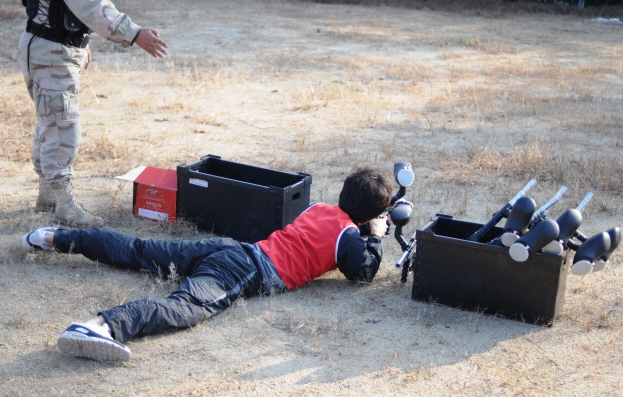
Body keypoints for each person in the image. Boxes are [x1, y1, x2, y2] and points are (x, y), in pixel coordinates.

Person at [21, 168, 394, 362]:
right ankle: (98, 327)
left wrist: (363, 226)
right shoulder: (349, 237)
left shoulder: (319, 209)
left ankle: (52, 237)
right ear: (369, 214)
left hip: (231, 250)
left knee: (139, 249)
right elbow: (362, 272)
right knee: (183, 308)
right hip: (246, 271)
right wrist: (375, 235)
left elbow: (331, 234)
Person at [18, 0, 169, 226]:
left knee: (51, 123)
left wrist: (79, 39)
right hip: (51, 51)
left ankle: (48, 196)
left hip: (50, 46)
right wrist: (134, 33)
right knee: (62, 130)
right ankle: (65, 207)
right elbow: (90, 5)